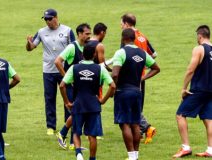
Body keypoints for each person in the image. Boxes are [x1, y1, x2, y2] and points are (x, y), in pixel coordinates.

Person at [59, 42, 115, 160]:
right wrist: (103, 100)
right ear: (94, 55)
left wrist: (67, 102)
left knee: (76, 132)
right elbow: (113, 86)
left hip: (78, 103)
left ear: (82, 55)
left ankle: (79, 153)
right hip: (94, 105)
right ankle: (92, 158)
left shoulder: (74, 68)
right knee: (92, 135)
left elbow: (62, 85)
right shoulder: (100, 69)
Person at [112, 28, 160, 160]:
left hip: (123, 92)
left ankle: (131, 155)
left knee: (124, 123)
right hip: (137, 91)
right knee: (135, 123)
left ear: (123, 39)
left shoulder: (121, 52)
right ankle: (136, 155)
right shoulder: (142, 53)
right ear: (134, 38)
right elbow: (156, 68)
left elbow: (115, 73)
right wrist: (142, 78)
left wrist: (113, 88)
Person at [26, 8, 75, 135]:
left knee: (68, 98)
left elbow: (74, 49)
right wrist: (28, 43)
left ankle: (68, 123)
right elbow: (31, 48)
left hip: (65, 70)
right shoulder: (42, 32)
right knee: (49, 98)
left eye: (49, 19)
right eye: (46, 19)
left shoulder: (67, 31)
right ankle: (51, 126)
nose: (47, 22)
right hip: (48, 70)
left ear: (56, 18)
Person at [173, 25, 212, 158]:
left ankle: (186, 147)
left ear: (200, 36)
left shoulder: (199, 49)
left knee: (180, 114)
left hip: (199, 89)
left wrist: (184, 88)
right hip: (210, 90)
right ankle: (210, 149)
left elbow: (190, 70)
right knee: (208, 118)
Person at [120, 13, 158, 144]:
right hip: (141, 75)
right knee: (137, 103)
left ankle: (147, 128)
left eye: (121, 23)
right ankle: (140, 132)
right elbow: (154, 54)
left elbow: (123, 56)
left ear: (126, 24)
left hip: (130, 77)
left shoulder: (128, 37)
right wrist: (143, 65)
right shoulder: (142, 36)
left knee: (130, 105)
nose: (120, 26)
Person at [54, 23, 91, 150]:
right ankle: (64, 135)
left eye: (89, 33)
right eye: (86, 34)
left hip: (80, 87)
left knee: (78, 112)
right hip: (71, 87)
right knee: (76, 112)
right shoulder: (72, 47)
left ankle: (71, 142)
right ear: (79, 34)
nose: (89, 36)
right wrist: (67, 78)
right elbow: (57, 61)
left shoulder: (87, 47)